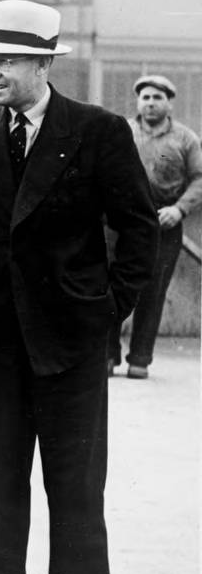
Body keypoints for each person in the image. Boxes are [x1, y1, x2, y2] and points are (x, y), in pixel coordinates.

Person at [0, 0, 157, 574]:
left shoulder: (96, 131)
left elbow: (138, 226)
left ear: (43, 63)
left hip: (71, 339)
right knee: (0, 469)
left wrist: (108, 308)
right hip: (1, 337)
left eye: (6, 59)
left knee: (73, 480)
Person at [108, 74, 202, 378]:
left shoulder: (186, 139)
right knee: (109, 286)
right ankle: (107, 356)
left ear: (169, 103)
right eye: (146, 97)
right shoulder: (122, 131)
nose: (150, 103)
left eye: (157, 98)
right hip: (121, 222)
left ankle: (140, 359)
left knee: (153, 289)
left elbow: (199, 178)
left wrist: (179, 209)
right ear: (138, 102)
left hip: (164, 222)